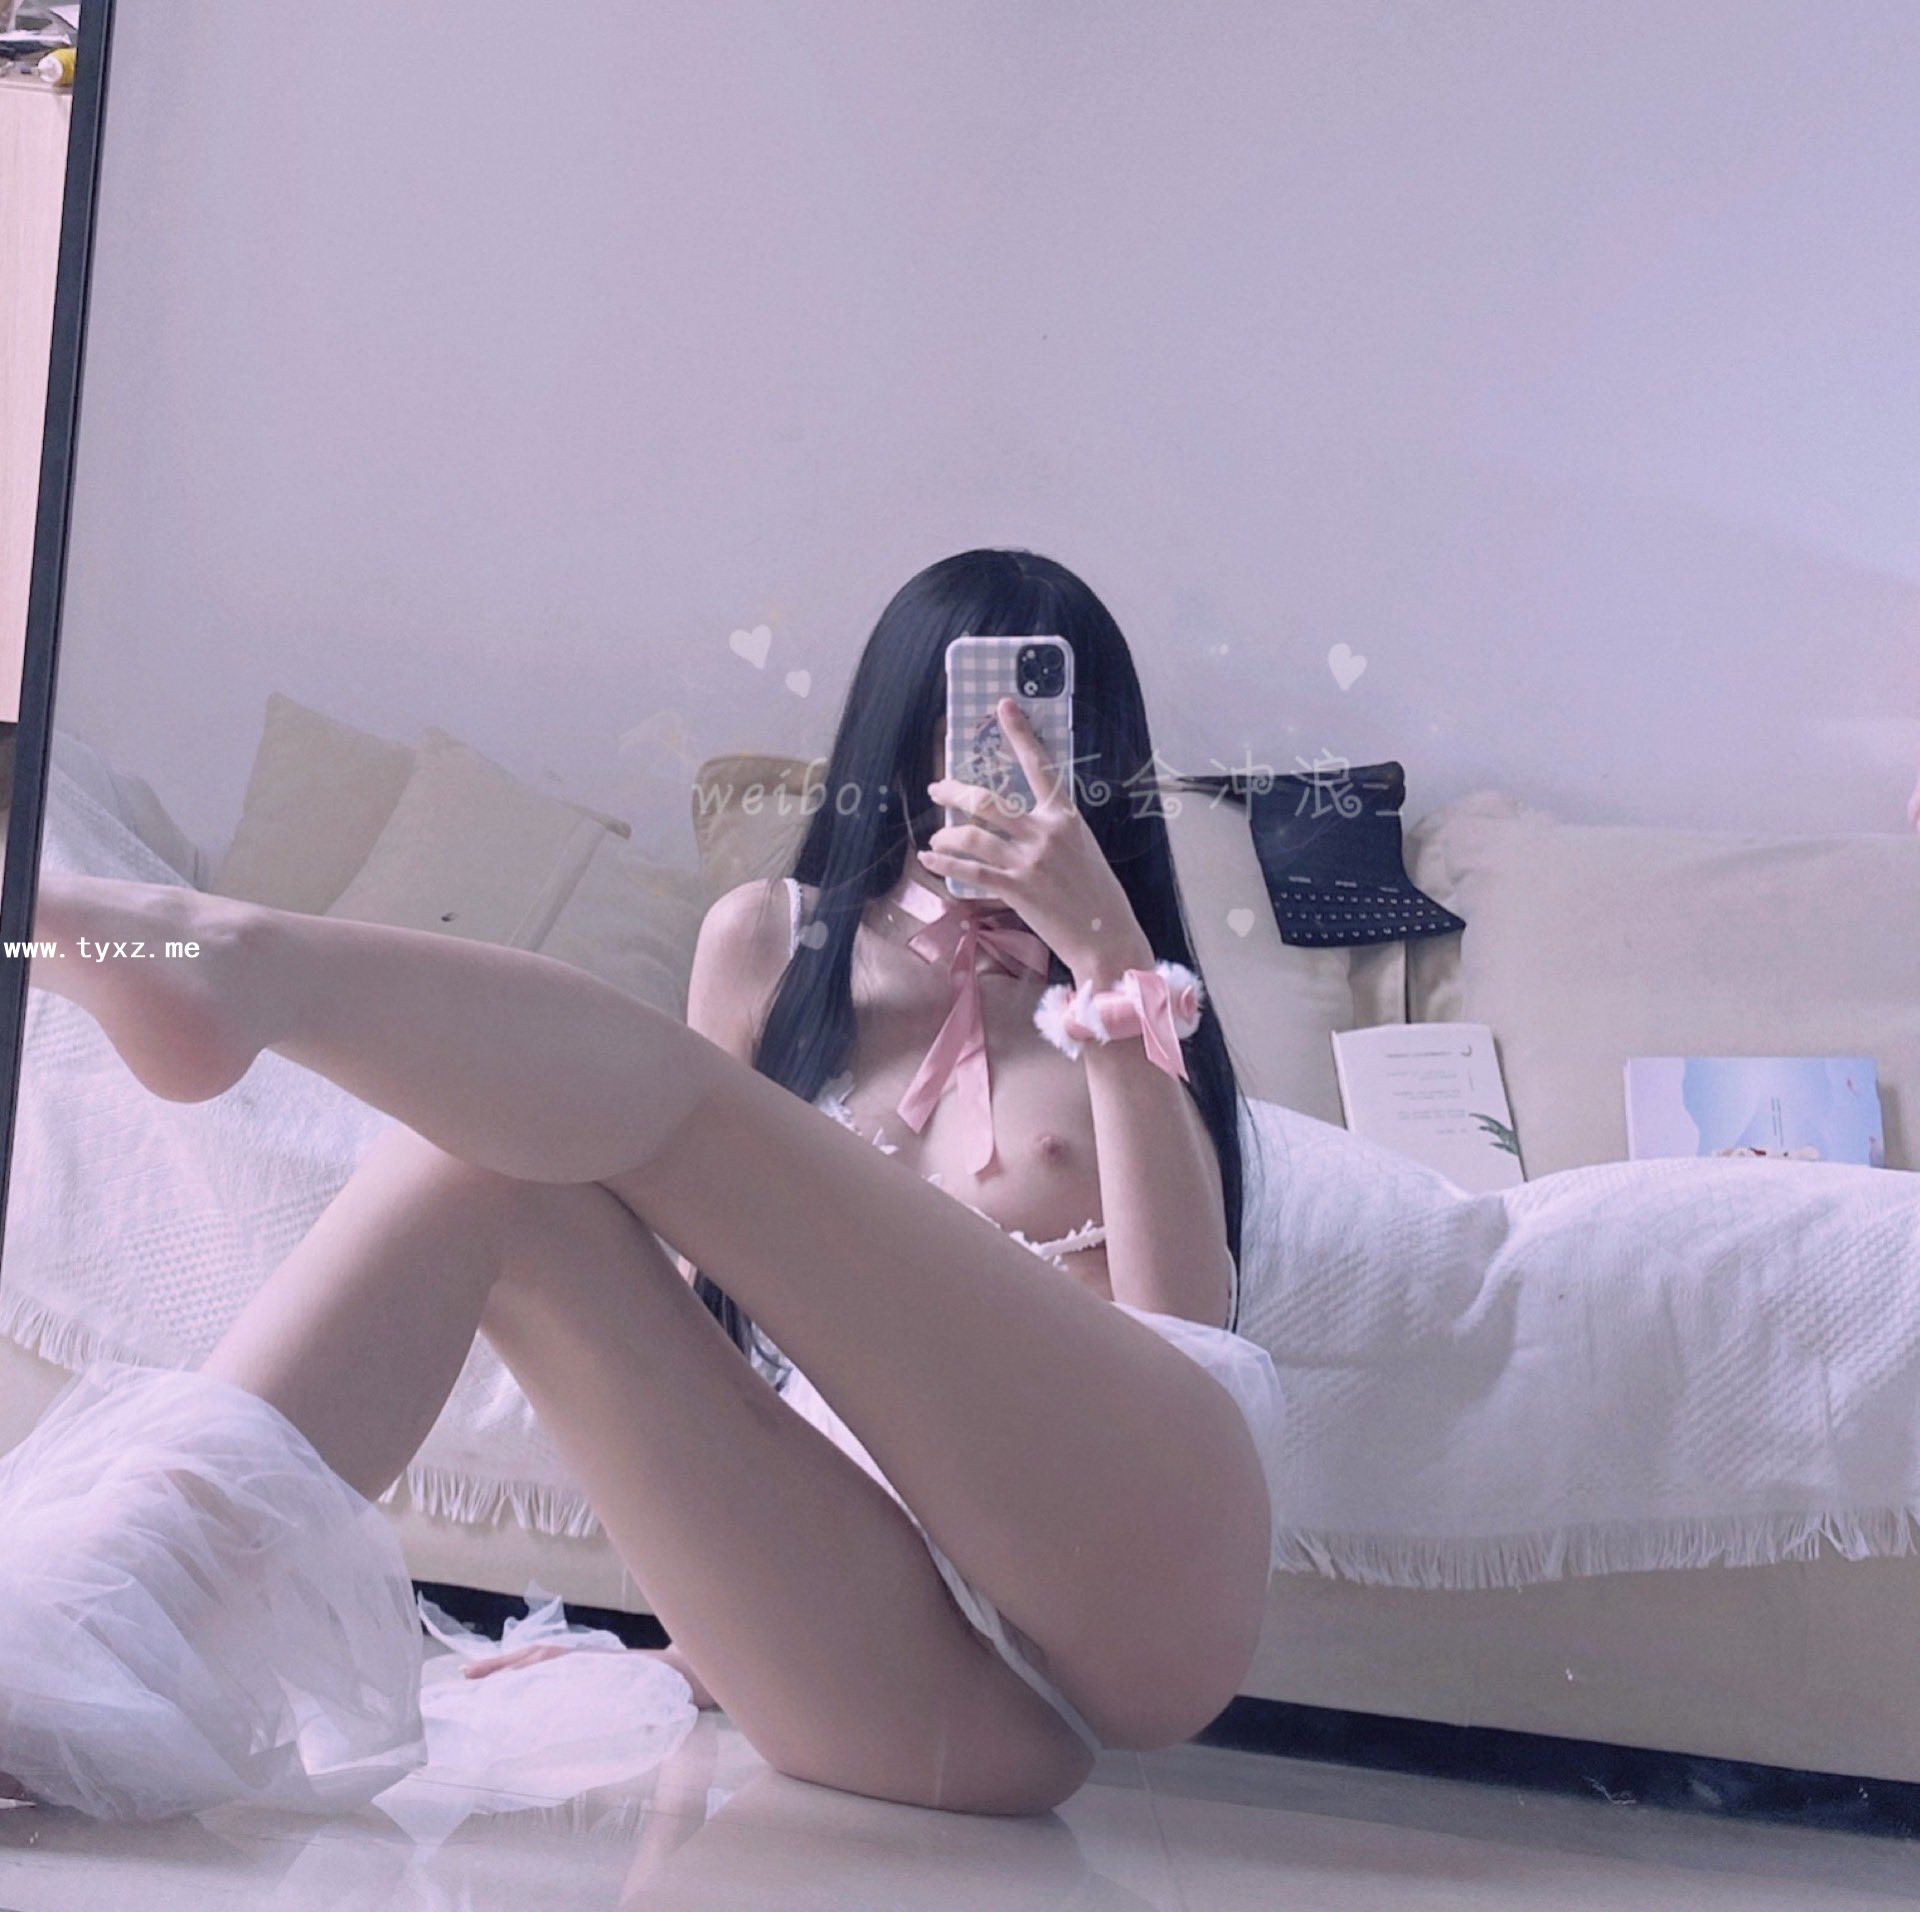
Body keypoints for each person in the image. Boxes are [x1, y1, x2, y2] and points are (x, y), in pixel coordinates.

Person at [3, 548, 1282, 1821]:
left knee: (681, 1105)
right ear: (905, 728)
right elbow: (702, 1340)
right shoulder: (777, 943)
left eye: (1046, 719)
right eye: (973, 714)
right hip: (932, 1691)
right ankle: (98, 1626)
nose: (1011, 750)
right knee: (484, 1156)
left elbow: (1182, 1344)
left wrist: (1105, 954)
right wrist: (702, 1636)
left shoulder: (1133, 1010)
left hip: (1136, 1579)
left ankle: (239, 961)